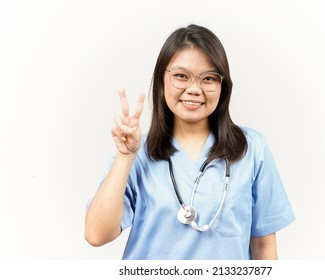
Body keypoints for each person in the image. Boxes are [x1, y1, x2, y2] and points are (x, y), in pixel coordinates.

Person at [85, 24, 295, 260]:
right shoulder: (138, 153)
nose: (194, 89)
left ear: (222, 87)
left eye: (208, 78)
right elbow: (96, 234)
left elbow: (264, 247)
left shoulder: (252, 149)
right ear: (162, 80)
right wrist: (125, 157)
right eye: (181, 76)